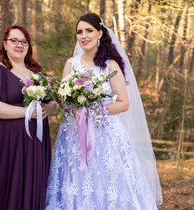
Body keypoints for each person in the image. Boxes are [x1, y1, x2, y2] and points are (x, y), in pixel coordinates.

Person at [45, 13, 162, 209]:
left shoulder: (110, 65)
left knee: (105, 182)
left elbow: (124, 103)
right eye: (79, 32)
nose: (84, 36)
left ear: (100, 33)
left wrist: (94, 110)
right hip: (73, 135)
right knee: (75, 181)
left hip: (104, 133)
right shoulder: (70, 64)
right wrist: (72, 105)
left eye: (89, 31)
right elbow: (64, 101)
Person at [0, 25, 57, 210]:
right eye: (14, 41)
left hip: (36, 144)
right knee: (8, 186)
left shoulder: (37, 72)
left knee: (35, 183)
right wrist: (26, 112)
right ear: (5, 44)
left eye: (24, 41)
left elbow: (53, 102)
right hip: (8, 142)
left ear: (28, 46)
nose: (19, 45)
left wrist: (48, 108)